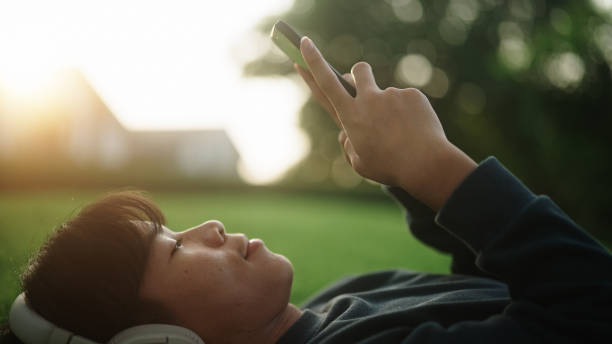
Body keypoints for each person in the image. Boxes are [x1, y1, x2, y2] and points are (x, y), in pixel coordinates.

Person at [3, 36, 611, 343]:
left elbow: (482, 286)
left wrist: (401, 175)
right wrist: (435, 166)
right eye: (171, 249)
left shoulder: (338, 299)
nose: (208, 228)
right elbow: (593, 305)